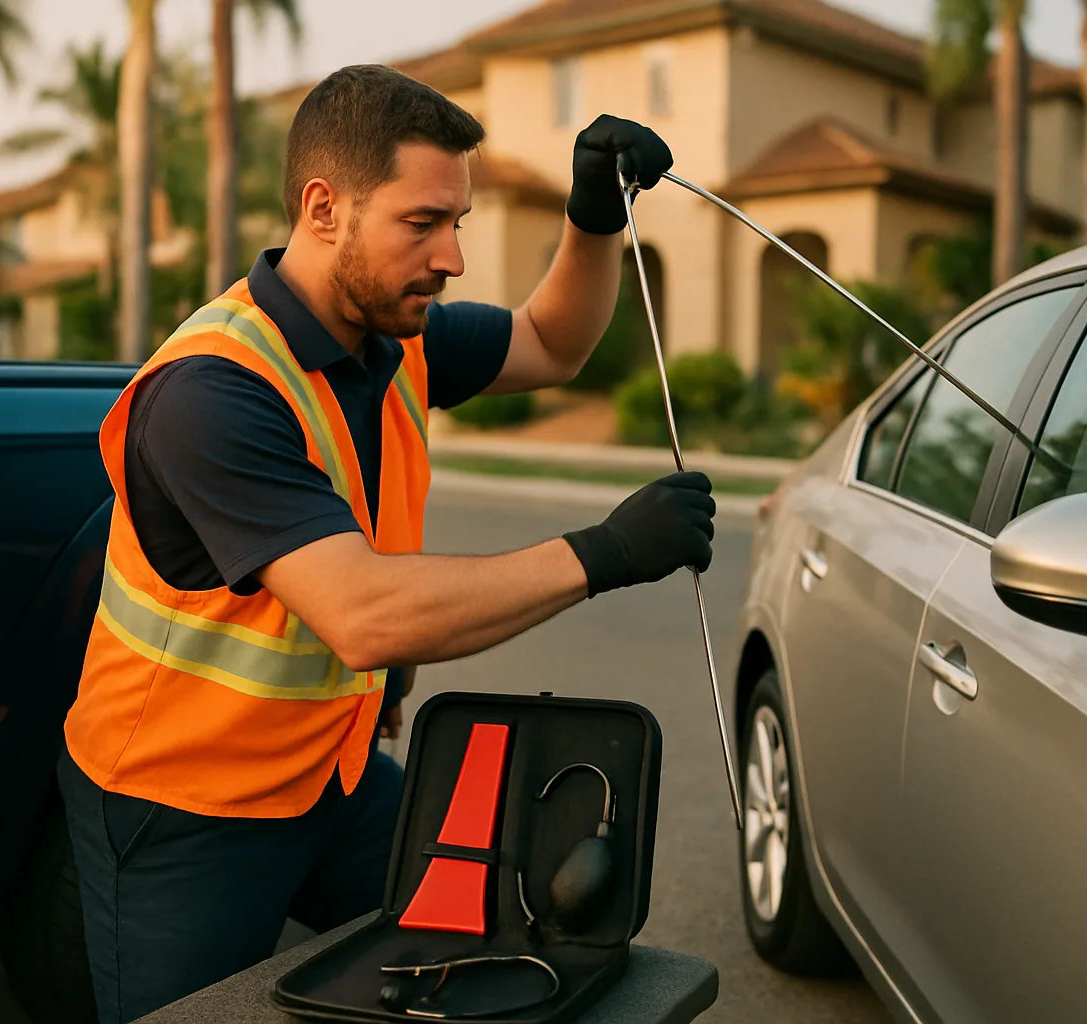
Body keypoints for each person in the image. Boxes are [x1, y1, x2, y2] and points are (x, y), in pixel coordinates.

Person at [57, 64, 716, 1024]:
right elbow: (364, 616)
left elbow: (551, 342)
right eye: (422, 224)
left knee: (482, 959)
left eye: (458, 224)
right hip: (184, 806)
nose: (451, 257)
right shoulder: (214, 391)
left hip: (337, 771)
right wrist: (605, 551)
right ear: (324, 209)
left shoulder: (392, 337)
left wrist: (593, 220)